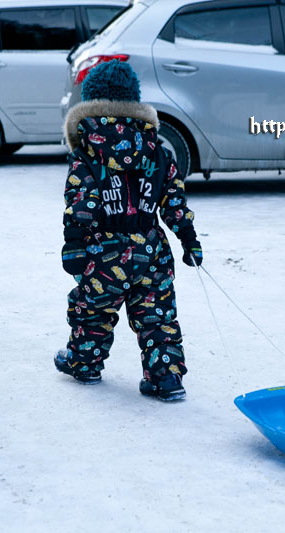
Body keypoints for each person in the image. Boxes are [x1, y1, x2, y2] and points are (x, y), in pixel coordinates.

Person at [54, 60, 203, 402]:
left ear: (91, 102)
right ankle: (165, 378)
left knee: (92, 309)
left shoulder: (87, 152)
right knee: (157, 314)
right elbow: (174, 200)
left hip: (103, 252)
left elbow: (81, 201)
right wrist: (188, 238)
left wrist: (74, 246)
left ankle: (84, 363)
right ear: (135, 103)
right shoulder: (159, 150)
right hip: (152, 250)